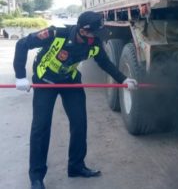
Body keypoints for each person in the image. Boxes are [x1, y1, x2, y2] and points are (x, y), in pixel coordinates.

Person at [13, 11, 138, 189]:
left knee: (79, 122)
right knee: (40, 127)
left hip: (70, 81)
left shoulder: (93, 42)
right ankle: (36, 177)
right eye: (93, 33)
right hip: (45, 81)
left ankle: (76, 166)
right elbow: (22, 44)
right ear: (82, 30)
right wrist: (20, 76)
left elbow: (104, 62)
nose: (95, 37)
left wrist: (123, 79)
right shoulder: (56, 34)